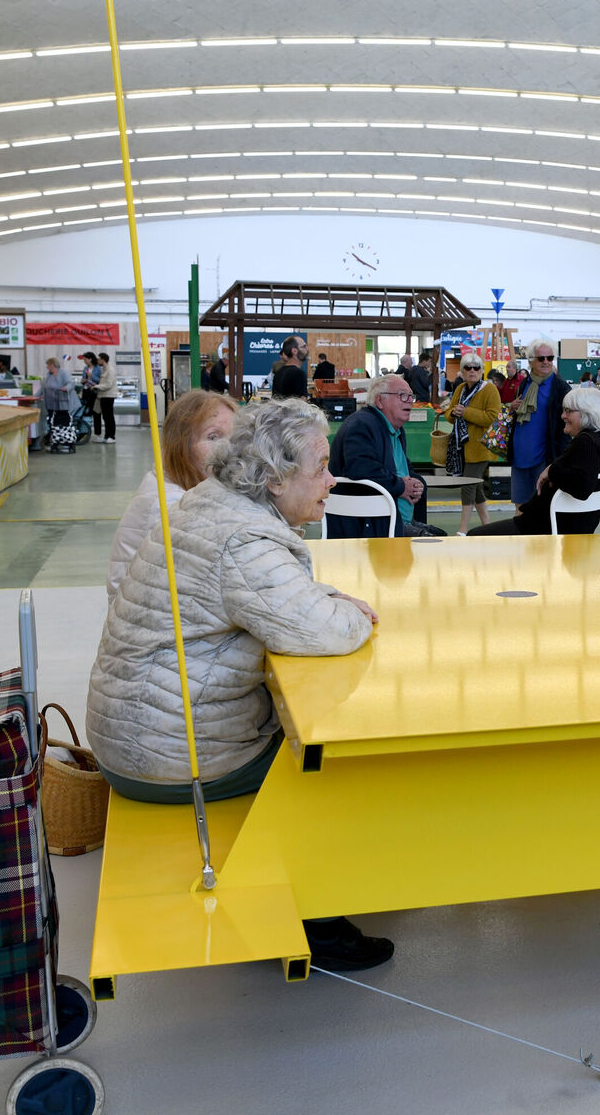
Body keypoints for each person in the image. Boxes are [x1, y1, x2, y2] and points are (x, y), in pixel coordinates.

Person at [89, 399, 390, 972]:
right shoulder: (244, 540)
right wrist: (353, 611)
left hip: (138, 730)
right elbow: (326, 631)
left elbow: (281, 600)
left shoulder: (214, 503)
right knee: (332, 758)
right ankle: (314, 917)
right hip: (175, 757)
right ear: (275, 479)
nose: (332, 481)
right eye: (321, 467)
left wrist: (321, 597)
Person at [106, 389, 237, 599]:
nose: (229, 449)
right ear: (182, 446)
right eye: (213, 437)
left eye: (235, 437)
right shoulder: (173, 506)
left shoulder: (183, 484)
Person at [469, 385, 600, 536]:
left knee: (474, 537)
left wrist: (552, 471)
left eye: (568, 411)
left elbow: (582, 487)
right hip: (569, 532)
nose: (563, 416)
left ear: (588, 414)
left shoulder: (585, 443)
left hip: (542, 532)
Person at [330, 375, 444, 538]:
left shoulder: (395, 429)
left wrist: (415, 483)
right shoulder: (361, 425)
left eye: (411, 396)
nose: (409, 401)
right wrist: (401, 486)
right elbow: (360, 469)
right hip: (369, 524)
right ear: (380, 401)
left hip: (393, 518)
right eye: (402, 395)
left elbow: (403, 466)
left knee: (440, 536)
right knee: (436, 543)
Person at [439, 354, 501, 532]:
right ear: (462, 371)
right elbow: (448, 413)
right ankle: (488, 526)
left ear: (482, 371)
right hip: (462, 448)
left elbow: (492, 417)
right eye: (468, 367)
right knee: (476, 487)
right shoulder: (460, 388)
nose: (472, 371)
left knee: (467, 485)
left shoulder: (489, 390)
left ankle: (462, 529)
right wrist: (454, 413)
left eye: (476, 367)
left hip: (481, 447)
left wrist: (465, 412)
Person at [507, 341, 569, 507]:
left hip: (544, 459)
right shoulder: (525, 384)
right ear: (531, 361)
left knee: (542, 507)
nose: (546, 361)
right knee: (520, 506)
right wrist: (511, 406)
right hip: (520, 457)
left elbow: (566, 429)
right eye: (541, 358)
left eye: (550, 357)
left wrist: (558, 461)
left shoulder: (561, 389)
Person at [39, 357, 76, 450]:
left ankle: (64, 442)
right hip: (51, 404)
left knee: (62, 424)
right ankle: (54, 442)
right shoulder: (49, 375)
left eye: (48, 365)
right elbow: (44, 388)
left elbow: (70, 384)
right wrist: (36, 396)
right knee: (52, 423)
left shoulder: (63, 372)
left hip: (63, 404)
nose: (47, 367)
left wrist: (66, 388)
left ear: (53, 364)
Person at [93, 352, 118, 443]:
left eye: (99, 359)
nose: (97, 360)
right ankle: (107, 436)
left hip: (108, 396)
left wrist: (96, 386)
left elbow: (109, 384)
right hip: (103, 396)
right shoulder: (104, 369)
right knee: (105, 417)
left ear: (103, 359)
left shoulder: (110, 370)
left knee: (109, 417)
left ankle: (112, 436)